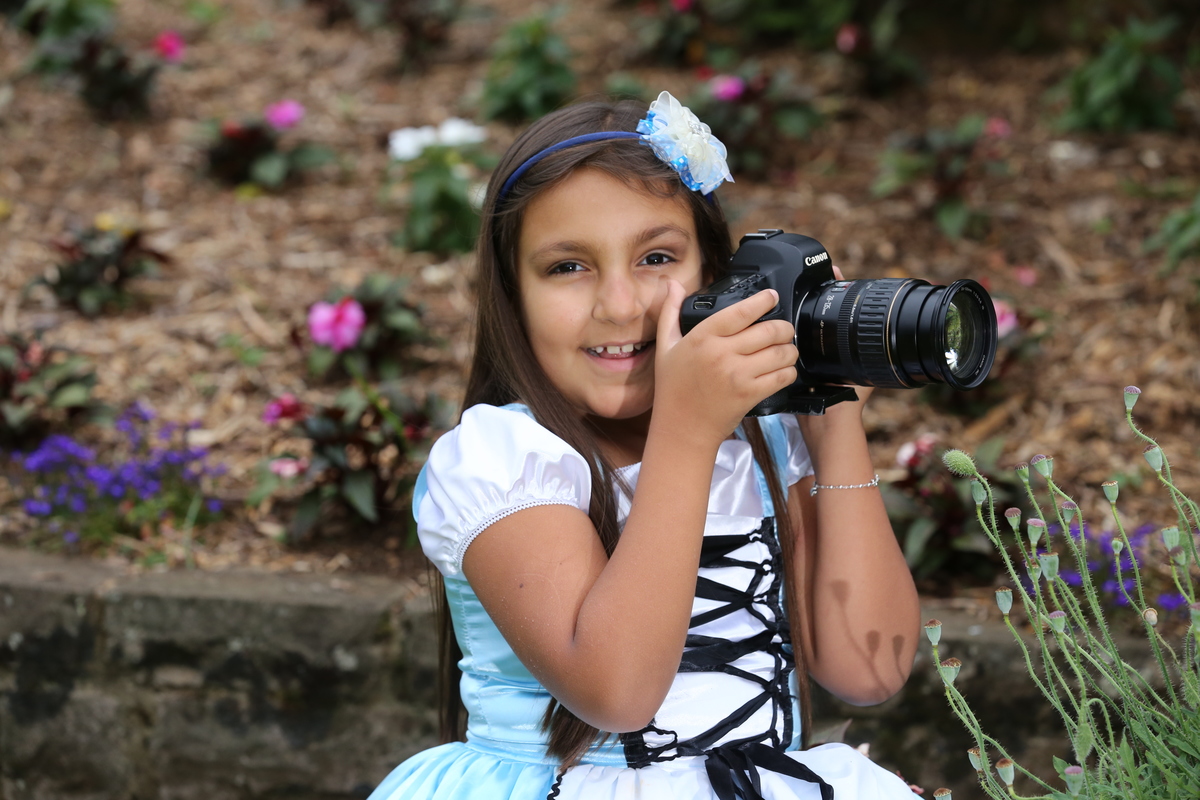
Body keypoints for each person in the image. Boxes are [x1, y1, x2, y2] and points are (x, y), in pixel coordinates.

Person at [368, 91, 922, 800]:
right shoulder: (503, 459)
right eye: (568, 266)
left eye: (657, 256)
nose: (621, 305)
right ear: (513, 294)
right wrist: (687, 432)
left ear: (717, 278)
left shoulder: (764, 445)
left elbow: (869, 669)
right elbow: (617, 691)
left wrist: (830, 412)